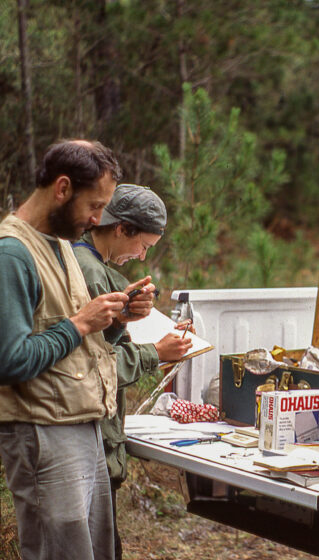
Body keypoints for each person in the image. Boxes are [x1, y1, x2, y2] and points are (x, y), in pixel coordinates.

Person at [0, 140, 155, 560]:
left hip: (81, 426)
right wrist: (80, 323)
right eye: (95, 204)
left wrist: (117, 317)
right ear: (63, 188)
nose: (99, 218)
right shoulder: (12, 253)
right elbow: (9, 360)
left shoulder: (62, 242)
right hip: (43, 434)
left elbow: (68, 334)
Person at [72, 183, 193, 559]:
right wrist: (156, 352)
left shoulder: (86, 262)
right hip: (88, 435)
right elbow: (92, 367)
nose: (141, 256)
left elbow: (101, 341)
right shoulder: (92, 274)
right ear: (120, 228)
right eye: (143, 245)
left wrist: (124, 318)